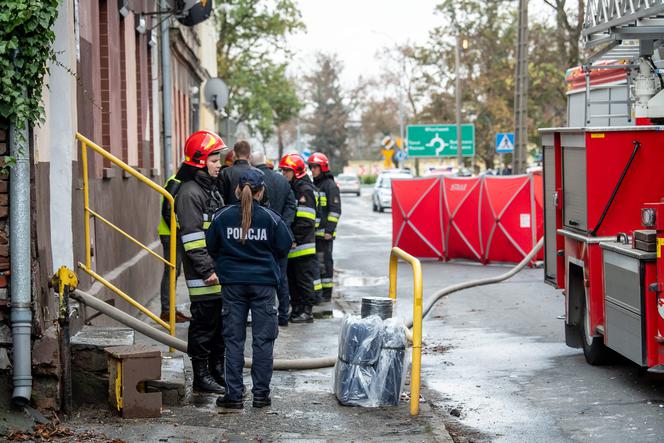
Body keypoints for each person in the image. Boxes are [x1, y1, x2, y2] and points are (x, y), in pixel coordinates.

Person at [207, 169, 292, 409]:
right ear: (261, 191)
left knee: (233, 341)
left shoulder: (222, 217)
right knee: (263, 341)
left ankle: (233, 396)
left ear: (236, 190)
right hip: (264, 286)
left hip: (232, 286)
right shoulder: (271, 218)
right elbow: (284, 247)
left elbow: (211, 245)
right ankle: (261, 396)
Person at [174, 130, 226, 394]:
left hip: (215, 270)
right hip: (203, 274)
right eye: (214, 160)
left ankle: (217, 372)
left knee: (218, 325)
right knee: (204, 324)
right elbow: (193, 238)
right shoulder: (190, 193)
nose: (219, 164)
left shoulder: (210, 189)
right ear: (200, 160)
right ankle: (201, 377)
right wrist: (207, 271)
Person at [251, 151, 297, 326]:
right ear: (265, 161)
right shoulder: (282, 180)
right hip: (280, 237)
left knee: (260, 276)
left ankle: (263, 315)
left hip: (259, 237)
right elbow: (291, 204)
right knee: (281, 277)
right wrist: (283, 224)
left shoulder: (254, 180)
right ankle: (283, 315)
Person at [279, 153, 321, 323]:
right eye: (282, 170)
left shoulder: (305, 190)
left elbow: (306, 221)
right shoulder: (294, 188)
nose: (283, 174)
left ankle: (307, 312)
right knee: (294, 282)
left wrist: (294, 238)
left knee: (304, 281)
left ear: (296, 172)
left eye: (286, 171)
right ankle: (296, 309)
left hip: (302, 246)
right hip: (294, 246)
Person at [308, 152, 341, 302]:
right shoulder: (314, 184)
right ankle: (318, 293)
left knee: (325, 263)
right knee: (316, 264)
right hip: (315, 233)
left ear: (323, 167)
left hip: (325, 234)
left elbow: (335, 210)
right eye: (311, 167)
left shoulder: (330, 185)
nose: (312, 170)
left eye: (315, 167)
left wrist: (329, 230)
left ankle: (327, 293)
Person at [157, 172, 190, 322]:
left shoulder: (178, 181)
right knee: (171, 272)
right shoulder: (175, 182)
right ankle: (166, 311)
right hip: (171, 234)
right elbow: (167, 210)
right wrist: (178, 231)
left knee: (174, 273)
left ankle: (171, 309)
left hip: (173, 233)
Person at [218, 140, 260, 204]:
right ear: (249, 155)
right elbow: (264, 201)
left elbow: (220, 199)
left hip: (229, 212)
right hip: (254, 213)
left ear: (234, 153)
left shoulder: (225, 172)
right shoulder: (258, 173)